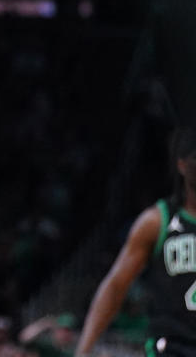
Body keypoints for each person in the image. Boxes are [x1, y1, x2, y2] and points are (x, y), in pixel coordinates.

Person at [76, 127, 196, 357]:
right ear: (181, 165)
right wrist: (83, 350)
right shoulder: (157, 221)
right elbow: (115, 286)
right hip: (172, 347)